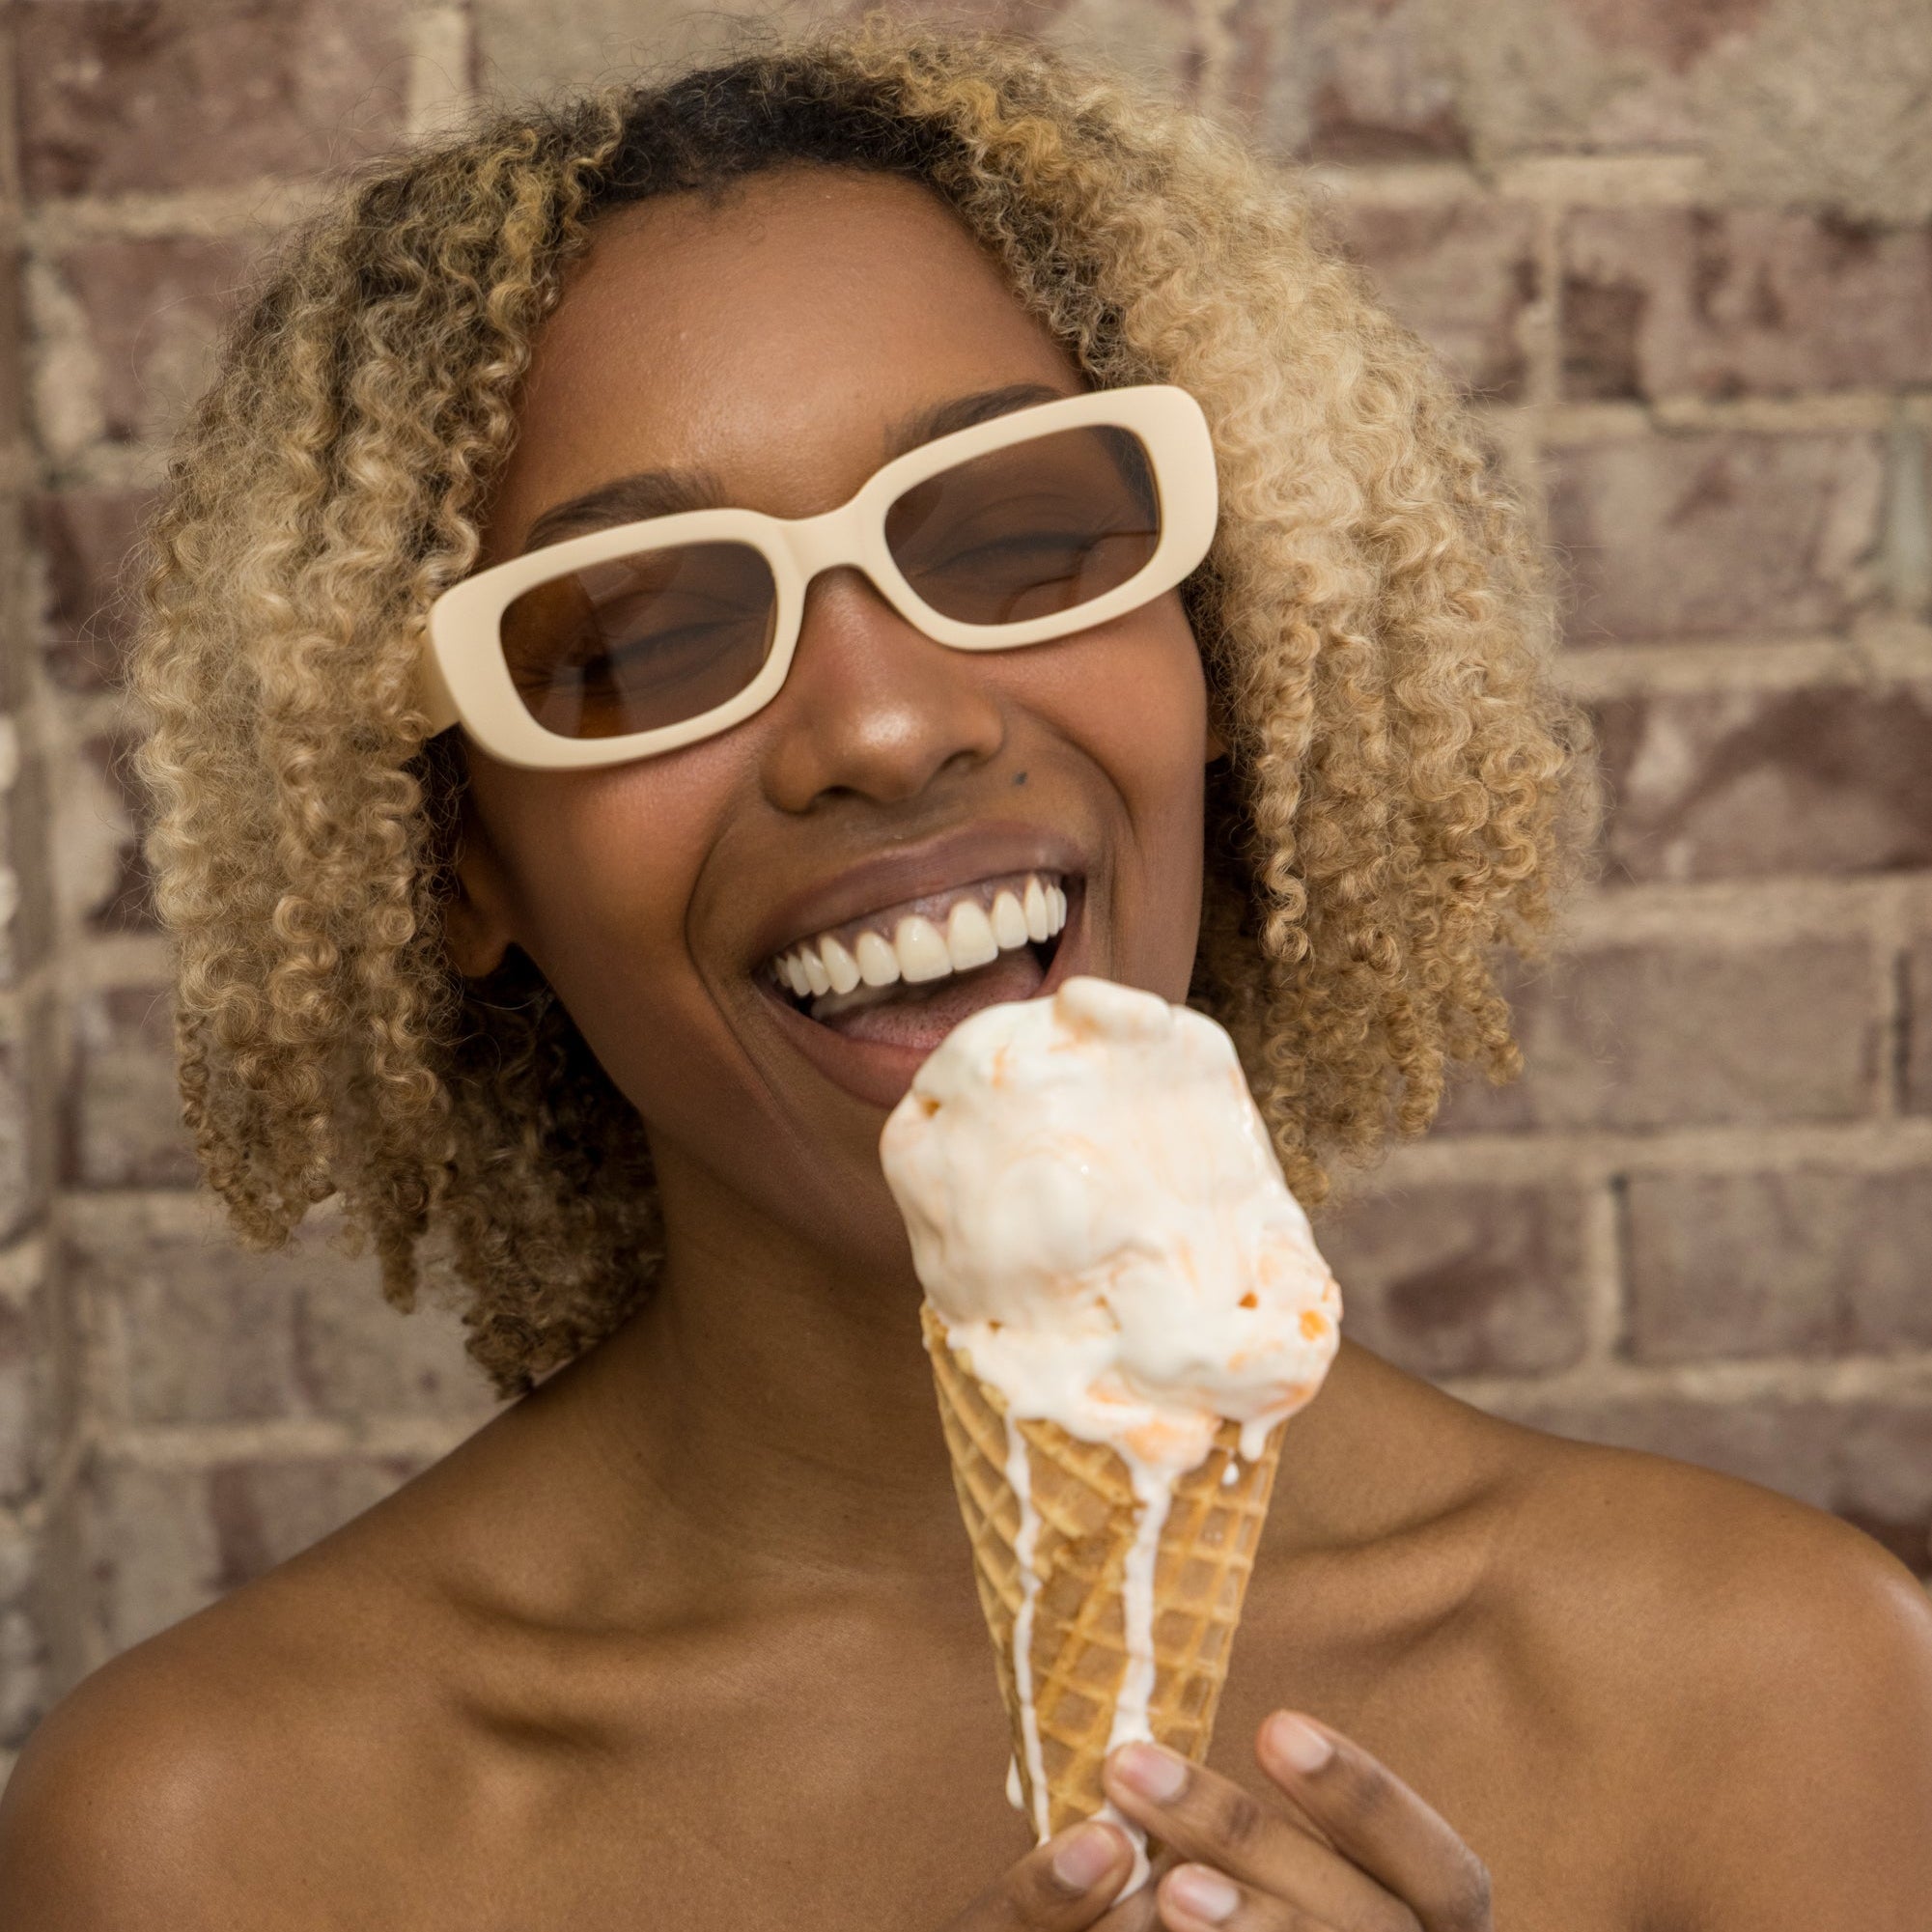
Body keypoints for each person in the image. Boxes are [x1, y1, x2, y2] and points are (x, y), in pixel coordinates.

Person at [3, 22, 1928, 1930]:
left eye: (1018, 530)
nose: (883, 719)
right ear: (459, 858)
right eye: (636, 632)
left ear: (1219, 652)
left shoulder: (1775, 1694)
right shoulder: (211, 1837)